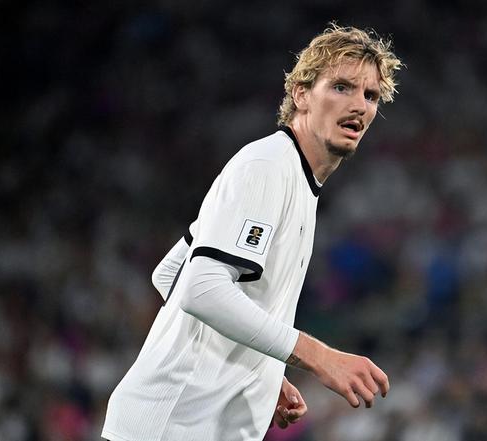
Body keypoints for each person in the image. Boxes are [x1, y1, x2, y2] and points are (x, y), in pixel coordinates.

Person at [102, 23, 402, 441]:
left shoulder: (296, 178)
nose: (359, 106)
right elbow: (201, 288)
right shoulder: (267, 167)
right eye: (341, 87)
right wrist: (319, 356)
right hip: (167, 427)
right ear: (301, 94)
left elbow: (170, 272)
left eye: (370, 96)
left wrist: (262, 366)